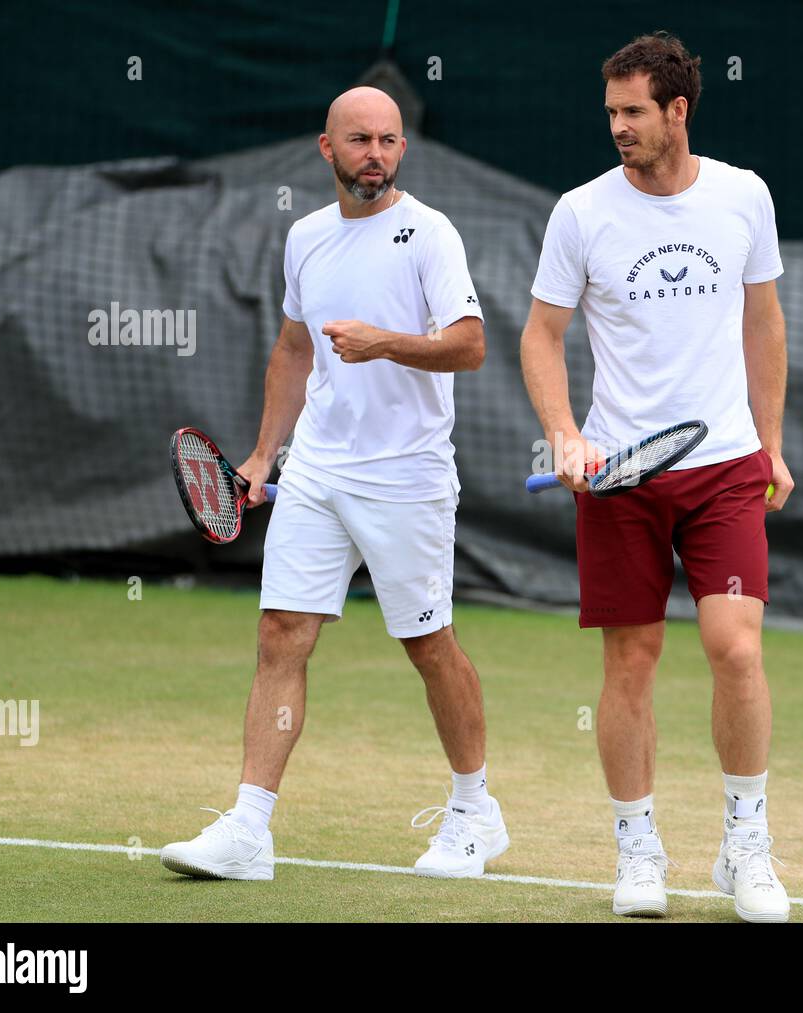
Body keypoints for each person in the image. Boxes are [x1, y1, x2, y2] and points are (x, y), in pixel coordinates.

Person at [161, 86, 507, 882]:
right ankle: (249, 827)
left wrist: (384, 342)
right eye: (360, 141)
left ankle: (473, 810)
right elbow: (293, 349)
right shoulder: (306, 237)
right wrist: (259, 456)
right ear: (328, 148)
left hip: (407, 476)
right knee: (282, 633)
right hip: (317, 470)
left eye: (388, 140)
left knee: (428, 644)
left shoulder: (431, 235)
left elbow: (470, 346)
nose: (376, 155)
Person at [520, 33, 793, 922]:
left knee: (737, 648)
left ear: (679, 110)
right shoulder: (581, 213)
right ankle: (638, 849)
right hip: (618, 474)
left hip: (723, 467)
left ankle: (745, 843)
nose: (619, 128)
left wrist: (772, 443)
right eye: (611, 113)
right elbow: (541, 334)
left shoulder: (744, 196)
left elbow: (764, 324)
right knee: (630, 662)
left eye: (635, 111)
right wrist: (564, 434)